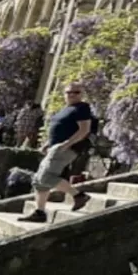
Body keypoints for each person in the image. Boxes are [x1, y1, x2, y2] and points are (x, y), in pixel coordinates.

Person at [18, 83, 95, 223]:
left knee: (46, 177)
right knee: (38, 181)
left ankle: (78, 195)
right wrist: (46, 144)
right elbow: (58, 130)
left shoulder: (82, 108)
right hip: (55, 147)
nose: (71, 94)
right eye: (68, 92)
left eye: (75, 92)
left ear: (81, 94)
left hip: (66, 148)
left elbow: (84, 130)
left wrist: (67, 144)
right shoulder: (66, 109)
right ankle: (39, 212)